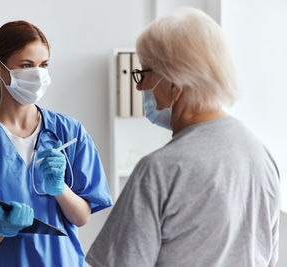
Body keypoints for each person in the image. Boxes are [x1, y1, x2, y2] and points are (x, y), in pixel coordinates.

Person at [86, 7, 279, 267]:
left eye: (144, 73)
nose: (139, 86)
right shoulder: (260, 155)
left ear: (175, 83)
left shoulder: (160, 170)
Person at [0, 20, 112, 267]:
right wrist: (1, 227)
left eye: (44, 65)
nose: (38, 74)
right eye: (26, 65)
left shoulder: (69, 132)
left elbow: (82, 217)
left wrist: (60, 189)